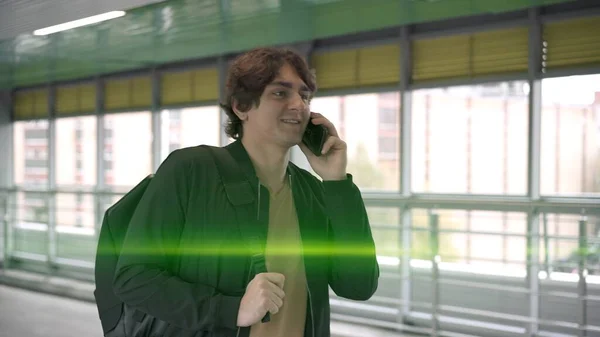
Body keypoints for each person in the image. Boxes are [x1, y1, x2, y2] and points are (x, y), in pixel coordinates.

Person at [112, 47, 380, 337]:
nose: (299, 106)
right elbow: (134, 277)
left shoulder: (312, 191)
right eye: (280, 93)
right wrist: (231, 309)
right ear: (241, 106)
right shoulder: (192, 170)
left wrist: (337, 183)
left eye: (304, 96)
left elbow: (359, 285)